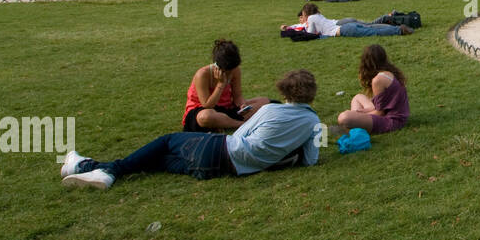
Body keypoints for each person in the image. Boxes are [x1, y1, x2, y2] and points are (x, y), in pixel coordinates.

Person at [61, 69, 321, 189]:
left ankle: (108, 170)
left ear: (284, 91)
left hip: (221, 150)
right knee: (159, 162)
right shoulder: (313, 123)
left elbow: (238, 135)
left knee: (167, 141)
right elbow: (310, 160)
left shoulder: (268, 110)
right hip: (220, 170)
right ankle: (88, 167)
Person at [183, 39, 273, 132]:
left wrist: (242, 105)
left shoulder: (235, 70)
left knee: (265, 102)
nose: (230, 73)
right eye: (228, 71)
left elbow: (237, 96)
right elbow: (207, 105)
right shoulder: (202, 74)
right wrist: (221, 84)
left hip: (226, 109)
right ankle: (242, 125)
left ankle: (224, 124)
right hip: (202, 111)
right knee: (206, 117)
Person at [337, 44, 410, 135]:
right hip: (393, 115)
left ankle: (352, 127)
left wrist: (361, 114)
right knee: (358, 97)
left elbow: (380, 113)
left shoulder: (378, 80)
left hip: (392, 121)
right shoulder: (389, 72)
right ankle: (354, 126)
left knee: (344, 117)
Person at [293, 2, 411, 37]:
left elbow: (309, 34)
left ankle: (398, 30)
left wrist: (302, 27)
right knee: (370, 26)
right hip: (343, 23)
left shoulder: (312, 19)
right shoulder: (318, 16)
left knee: (372, 30)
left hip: (343, 28)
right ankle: (390, 21)